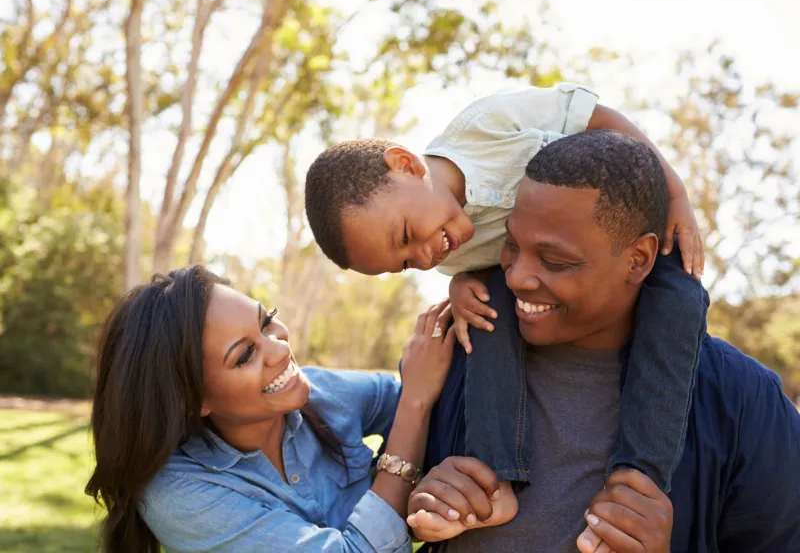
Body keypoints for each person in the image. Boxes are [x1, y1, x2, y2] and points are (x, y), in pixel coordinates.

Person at [304, 84, 707, 511]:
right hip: (541, 282)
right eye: (404, 264)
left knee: (680, 298)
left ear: (405, 165)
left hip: (626, 237)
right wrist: (460, 285)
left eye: (405, 236)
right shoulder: (446, 251)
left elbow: (599, 118)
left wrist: (675, 193)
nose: (423, 257)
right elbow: (489, 267)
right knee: (483, 317)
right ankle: (495, 479)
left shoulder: (485, 126)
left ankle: (639, 478)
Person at [406, 130, 800, 552]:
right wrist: (421, 510)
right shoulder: (460, 353)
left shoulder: (741, 402)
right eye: (512, 245)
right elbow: (383, 508)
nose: (517, 277)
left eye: (556, 261)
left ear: (639, 259)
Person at [85, 265, 469, 553]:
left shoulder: (321, 392)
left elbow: (441, 400)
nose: (281, 349)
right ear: (193, 400)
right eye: (246, 354)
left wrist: (466, 290)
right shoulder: (180, 495)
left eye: (266, 322)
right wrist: (414, 410)